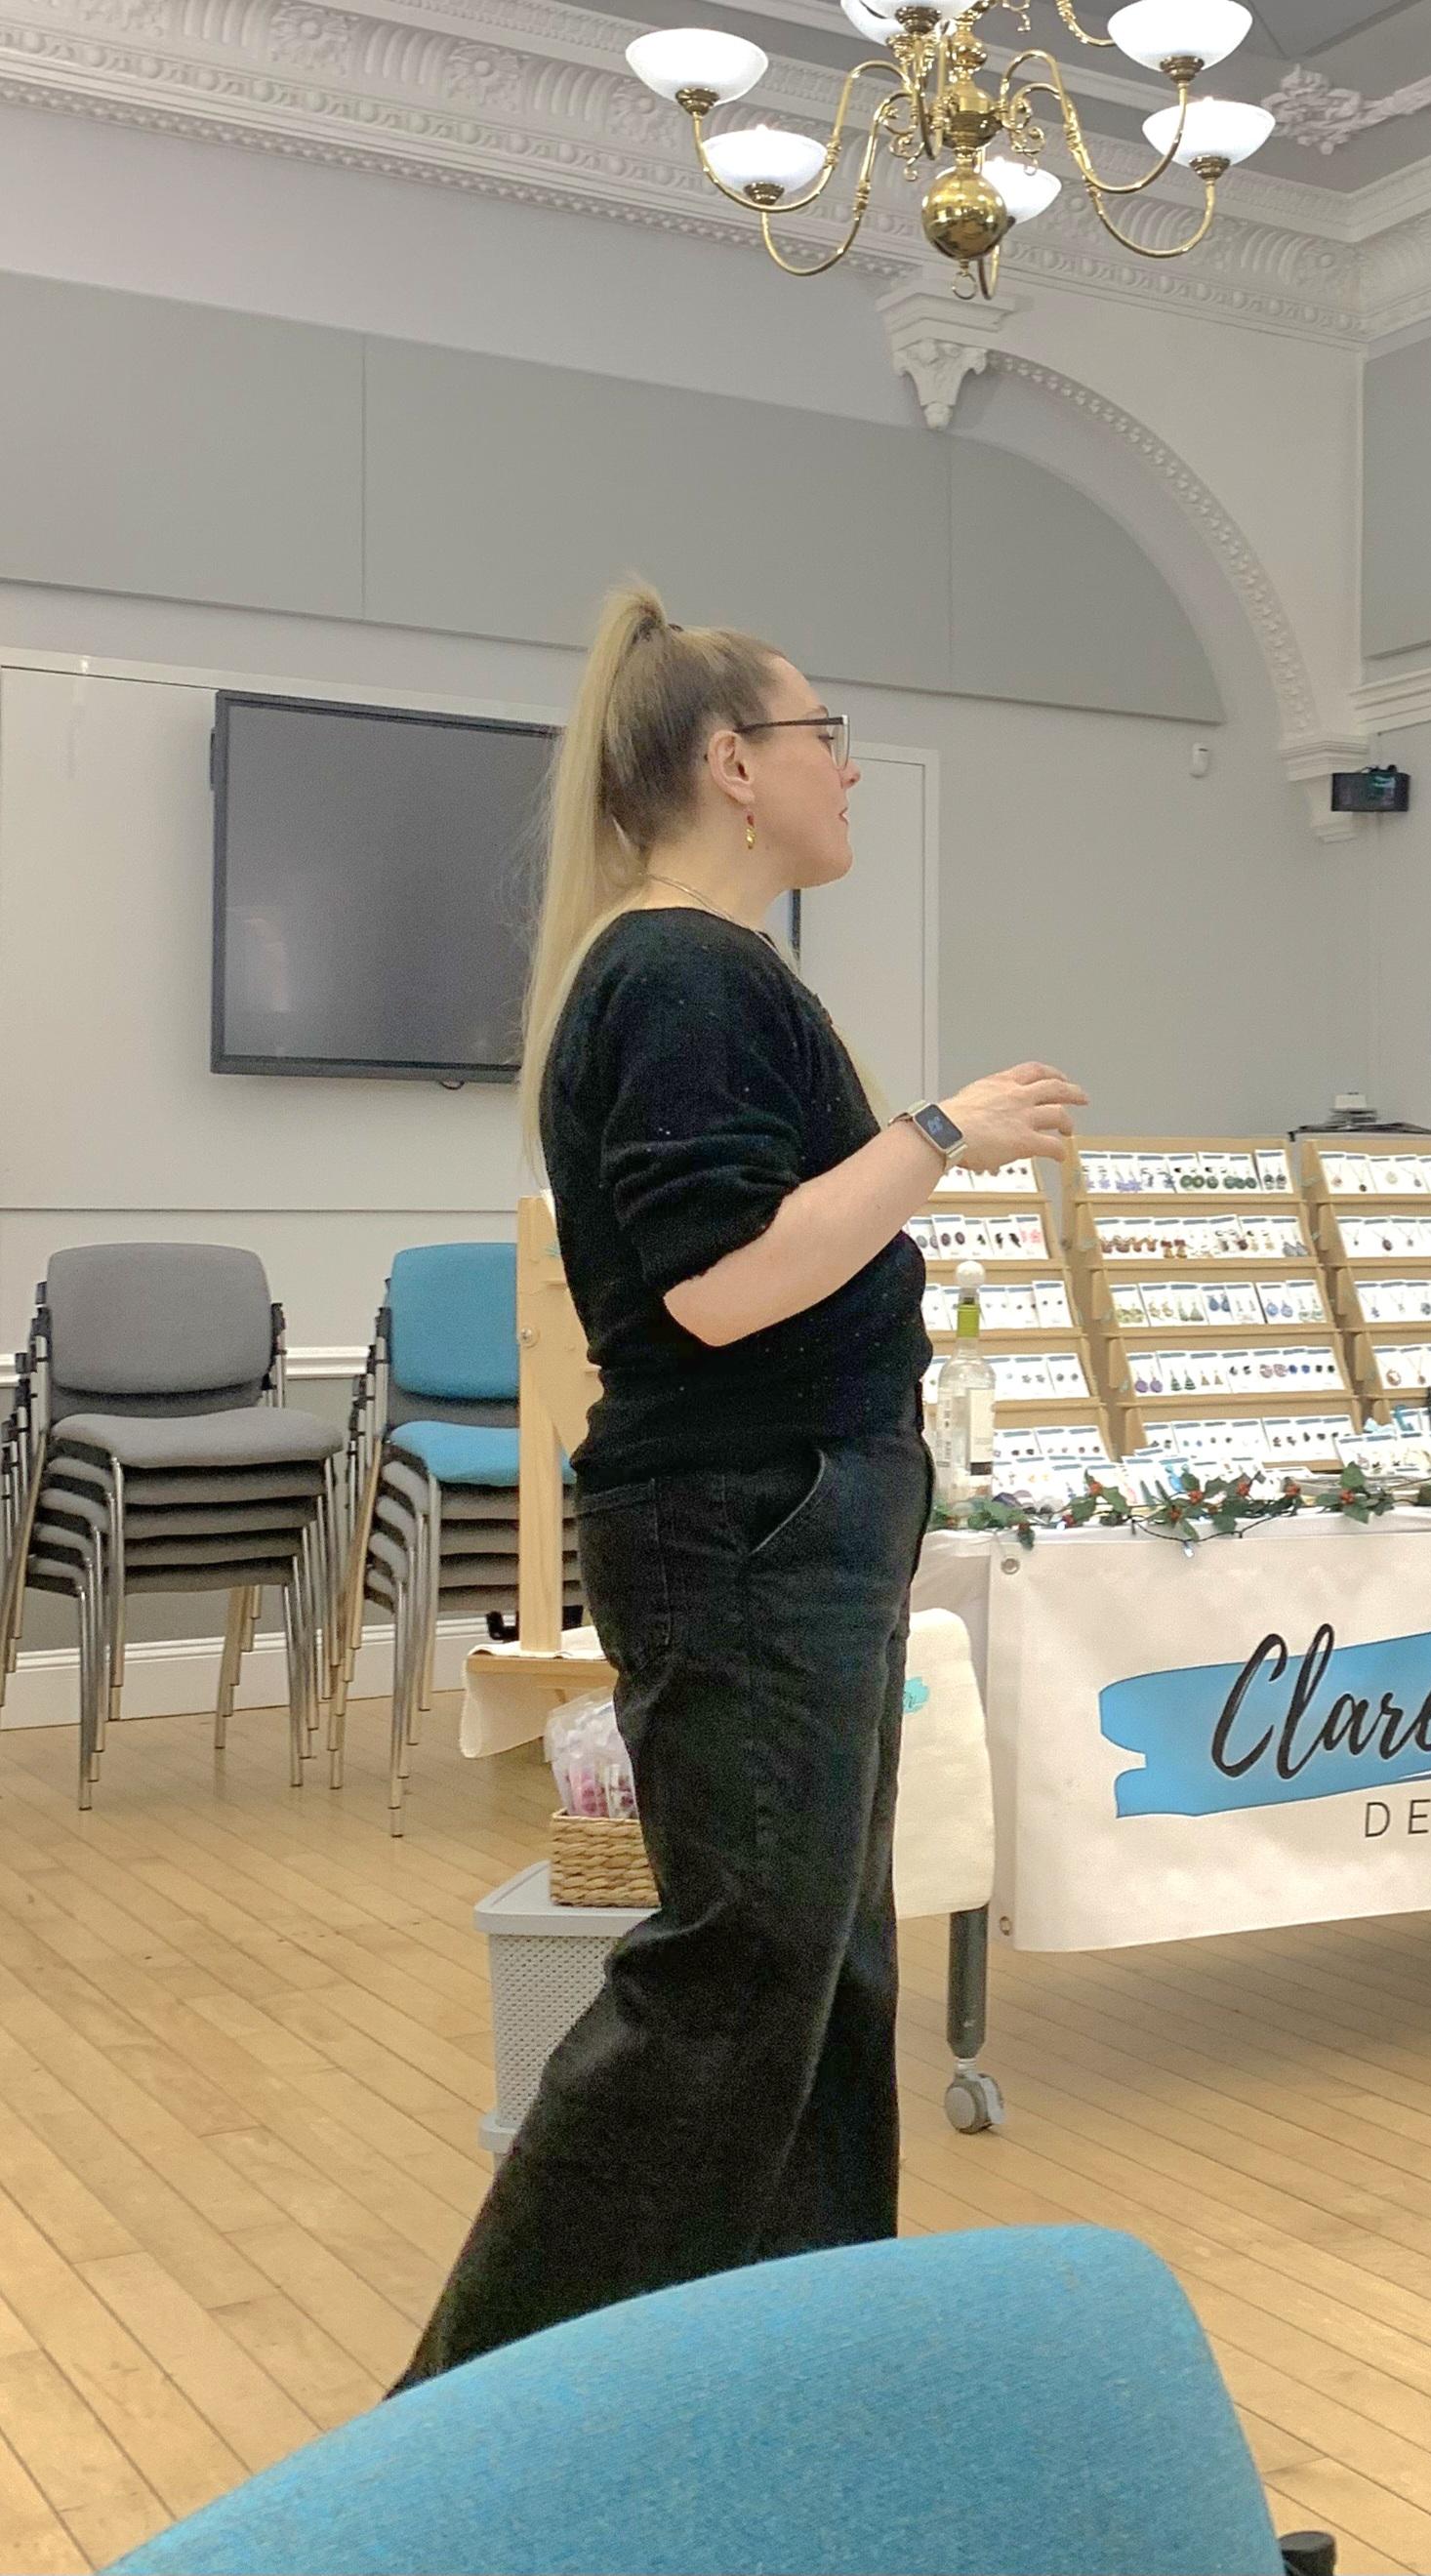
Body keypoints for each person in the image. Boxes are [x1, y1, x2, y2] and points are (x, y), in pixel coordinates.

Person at [393, 583, 1084, 2385]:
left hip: (785, 1514)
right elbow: (719, 1283)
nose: (845, 769)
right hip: (751, 1518)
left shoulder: (695, 970)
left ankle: (798, 2374)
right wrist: (937, 1135)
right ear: (730, 763)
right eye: (821, 736)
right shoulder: (685, 972)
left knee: (818, 1969)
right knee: (742, 1970)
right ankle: (463, 2412)